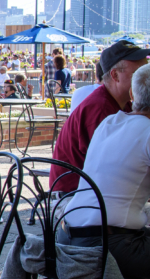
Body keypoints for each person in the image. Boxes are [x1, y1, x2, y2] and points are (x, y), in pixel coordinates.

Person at [58, 64, 150, 279]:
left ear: (134, 95)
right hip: (106, 246)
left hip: (65, 238)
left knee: (141, 237)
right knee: (141, 243)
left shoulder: (109, 123)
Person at [50, 41, 149, 195]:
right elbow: (118, 167)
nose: (146, 78)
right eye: (139, 73)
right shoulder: (101, 108)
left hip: (95, 194)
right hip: (75, 199)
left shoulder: (124, 103)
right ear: (115, 75)